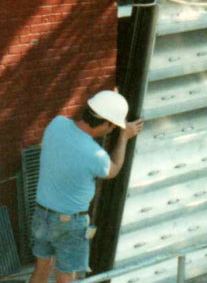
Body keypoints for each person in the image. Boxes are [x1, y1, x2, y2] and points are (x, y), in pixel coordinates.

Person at [29, 90, 144, 283]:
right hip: (69, 223)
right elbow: (113, 170)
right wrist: (123, 137)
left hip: (42, 215)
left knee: (41, 271)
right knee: (66, 277)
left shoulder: (56, 124)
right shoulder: (95, 156)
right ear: (106, 123)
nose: (112, 130)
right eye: (113, 127)